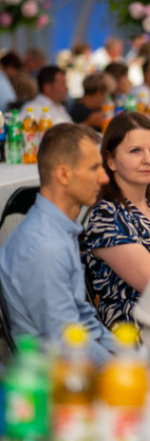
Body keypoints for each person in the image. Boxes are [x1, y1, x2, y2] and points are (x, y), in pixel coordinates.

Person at [0, 124, 117, 363]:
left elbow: (86, 320)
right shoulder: (44, 247)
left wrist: (133, 357)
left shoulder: (61, 230)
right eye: (94, 168)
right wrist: (124, 367)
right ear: (63, 175)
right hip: (55, 382)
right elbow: (66, 345)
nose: (105, 177)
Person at [83, 112, 150, 330]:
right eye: (135, 151)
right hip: (139, 331)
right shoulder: (107, 218)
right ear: (111, 161)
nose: (148, 159)